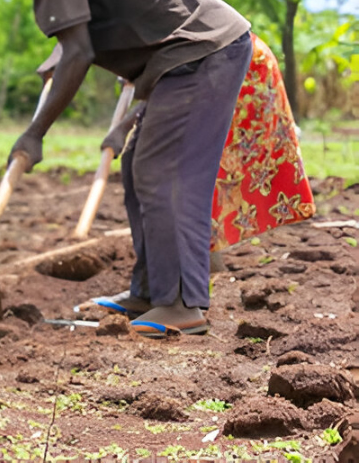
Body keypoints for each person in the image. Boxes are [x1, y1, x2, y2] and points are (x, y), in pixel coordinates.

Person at [0, 0, 252, 338]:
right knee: (138, 167)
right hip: (183, 57)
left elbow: (79, 53)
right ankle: (150, 293)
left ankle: (183, 303)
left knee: (165, 175)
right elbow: (86, 31)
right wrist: (64, 53)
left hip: (201, 52)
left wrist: (35, 134)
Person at [40, 34, 315, 315]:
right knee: (142, 164)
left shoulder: (139, 17)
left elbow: (176, 77)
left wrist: (124, 122)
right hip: (194, 66)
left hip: (229, 66)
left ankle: (185, 295)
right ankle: (149, 290)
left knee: (188, 173)